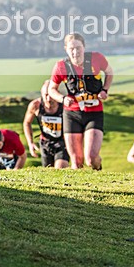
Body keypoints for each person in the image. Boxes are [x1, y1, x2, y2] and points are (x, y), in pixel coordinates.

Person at [48, 33, 114, 170]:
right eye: (71, 48)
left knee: (91, 158)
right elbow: (51, 89)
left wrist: (105, 90)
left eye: (78, 48)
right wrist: (62, 98)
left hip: (94, 112)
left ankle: (99, 174)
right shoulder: (61, 66)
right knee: (77, 161)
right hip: (72, 114)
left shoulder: (97, 58)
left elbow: (109, 72)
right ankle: (81, 189)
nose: (75, 52)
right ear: (66, 49)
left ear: (84, 47)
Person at [23, 80, 70, 169]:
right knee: (48, 170)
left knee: (60, 168)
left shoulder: (64, 106)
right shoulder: (35, 105)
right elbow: (27, 122)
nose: (48, 99)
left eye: (51, 95)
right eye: (45, 95)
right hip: (45, 143)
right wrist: (30, 143)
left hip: (62, 142)